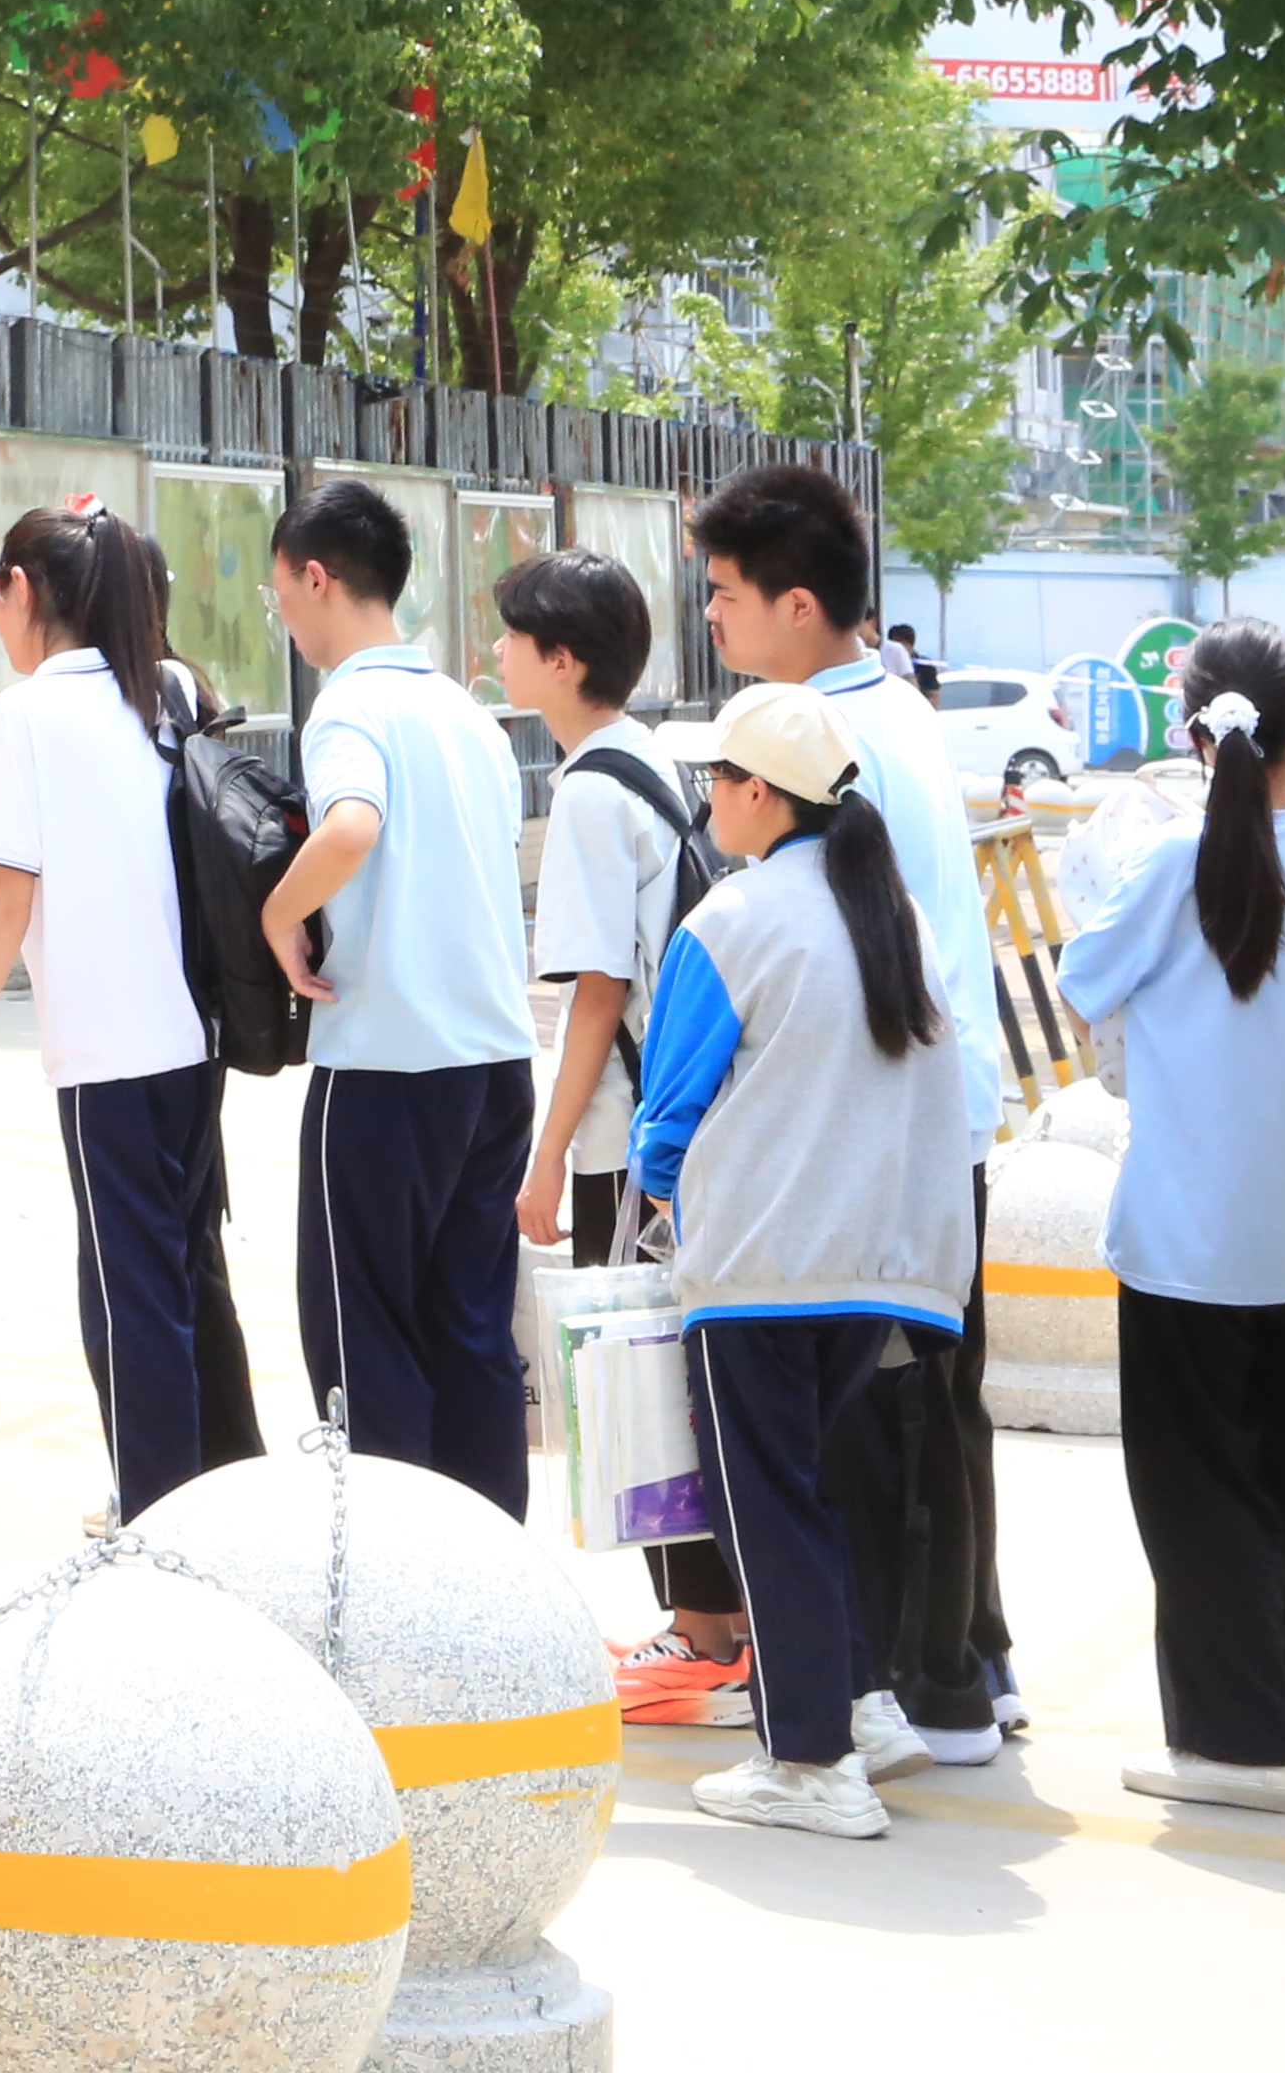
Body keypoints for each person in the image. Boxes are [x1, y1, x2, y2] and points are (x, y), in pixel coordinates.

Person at [689, 462, 1018, 1760]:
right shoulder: (897, 705)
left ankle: (889, 1689)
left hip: (878, 1129)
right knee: (937, 1402)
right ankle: (966, 1664)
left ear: (798, 604)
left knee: (873, 1428)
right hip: (941, 1110)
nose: (711, 615)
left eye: (725, 593)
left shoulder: (822, 740)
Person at [634, 678, 975, 1845]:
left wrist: (664, 1206)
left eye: (716, 780)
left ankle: (811, 1761)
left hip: (760, 1269)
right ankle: (859, 1701)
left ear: (762, 795)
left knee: (764, 1511)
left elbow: (668, 1115)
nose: (708, 800)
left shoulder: (730, 919)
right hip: (877, 1265)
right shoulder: (893, 913)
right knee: (820, 1493)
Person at [1057, 621, 1285, 1816]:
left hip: (1188, 1236)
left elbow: (1083, 985)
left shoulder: (1168, 861)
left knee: (1200, 1492)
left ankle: (1240, 1747)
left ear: (1194, 735)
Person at [0, 502, 257, 1522]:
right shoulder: (169, 690)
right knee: (190, 1266)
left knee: (126, 1289)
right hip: (197, 1033)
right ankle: (231, 1488)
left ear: (25, 591)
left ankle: (158, 1510)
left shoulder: (25, 717)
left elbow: (8, 903)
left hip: (104, 1048)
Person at [249, 478, 541, 1516]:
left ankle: (386, 1571)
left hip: (385, 1066)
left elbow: (352, 827)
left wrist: (278, 915)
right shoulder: (467, 714)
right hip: (495, 1065)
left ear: (316, 578)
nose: (283, 613)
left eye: (279, 592)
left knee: (361, 1335)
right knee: (471, 1331)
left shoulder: (348, 706)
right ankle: (490, 1571)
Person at [495, 545, 751, 1720]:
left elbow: (597, 993)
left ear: (562, 660)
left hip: (629, 1137)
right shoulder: (647, 758)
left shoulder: (592, 792)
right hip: (683, 1122)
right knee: (674, 1372)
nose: (499, 655)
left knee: (642, 1381)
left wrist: (547, 1156)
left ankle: (703, 1634)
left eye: (514, 638)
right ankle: (717, 1622)